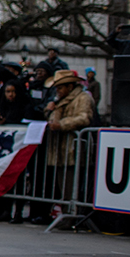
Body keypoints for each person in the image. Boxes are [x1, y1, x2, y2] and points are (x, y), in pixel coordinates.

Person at [38, 69, 94, 225]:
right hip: (59, 150)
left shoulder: (83, 98)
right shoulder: (58, 100)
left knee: (72, 185)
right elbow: (51, 120)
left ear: (70, 86)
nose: (58, 91)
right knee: (62, 186)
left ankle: (73, 217)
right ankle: (65, 215)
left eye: (61, 87)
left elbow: (84, 118)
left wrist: (61, 125)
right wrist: (49, 110)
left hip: (73, 149)